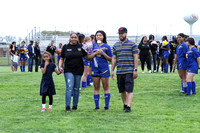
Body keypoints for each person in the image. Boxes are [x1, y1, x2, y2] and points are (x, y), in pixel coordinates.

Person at [59, 33, 97, 112]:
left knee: (76, 88)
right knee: (69, 87)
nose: (73, 39)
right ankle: (67, 106)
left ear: (77, 38)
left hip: (78, 70)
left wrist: (95, 54)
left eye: (75, 37)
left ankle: (75, 105)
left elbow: (86, 56)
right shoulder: (65, 47)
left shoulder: (81, 47)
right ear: (70, 38)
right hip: (68, 70)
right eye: (72, 37)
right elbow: (62, 58)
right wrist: (60, 66)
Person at [111, 27, 138, 113]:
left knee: (129, 90)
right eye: (119, 34)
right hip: (119, 71)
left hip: (129, 71)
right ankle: (125, 104)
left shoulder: (132, 44)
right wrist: (112, 70)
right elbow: (114, 58)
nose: (121, 35)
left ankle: (129, 107)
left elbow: (136, 57)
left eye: (122, 33)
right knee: (122, 90)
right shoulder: (115, 45)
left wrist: (135, 70)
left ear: (126, 33)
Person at [91, 30, 112, 110]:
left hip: (104, 69)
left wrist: (103, 53)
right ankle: (97, 106)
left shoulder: (107, 46)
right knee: (96, 87)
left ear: (103, 37)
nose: (98, 37)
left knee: (106, 87)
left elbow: (110, 59)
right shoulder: (92, 46)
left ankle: (106, 106)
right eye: (97, 35)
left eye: (100, 35)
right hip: (95, 68)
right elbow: (88, 57)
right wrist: (94, 54)